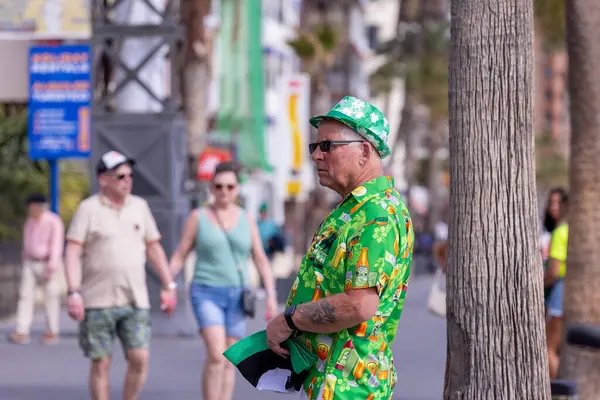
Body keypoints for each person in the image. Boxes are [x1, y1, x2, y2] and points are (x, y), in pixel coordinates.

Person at [265, 96, 414, 400]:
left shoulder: (376, 214)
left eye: (328, 146)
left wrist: (290, 319)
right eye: (315, 147)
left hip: (349, 385)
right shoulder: (355, 209)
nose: (317, 156)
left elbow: (360, 304)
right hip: (331, 379)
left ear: (364, 151)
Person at [63, 150, 177, 400]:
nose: (128, 180)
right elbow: (72, 251)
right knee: (101, 362)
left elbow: (154, 248)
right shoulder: (88, 209)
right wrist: (73, 291)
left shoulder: (139, 206)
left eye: (130, 176)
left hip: (134, 299)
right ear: (103, 179)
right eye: (121, 176)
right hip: (96, 300)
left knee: (140, 358)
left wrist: (168, 284)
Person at [169, 161, 279, 400]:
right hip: (206, 291)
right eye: (219, 186)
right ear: (211, 188)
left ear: (237, 189)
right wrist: (168, 286)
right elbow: (180, 254)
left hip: (238, 294)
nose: (224, 192)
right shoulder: (198, 217)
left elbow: (260, 258)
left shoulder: (246, 219)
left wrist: (271, 295)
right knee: (216, 353)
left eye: (230, 186)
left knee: (230, 357)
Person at [9, 193, 64, 345]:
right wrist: (24, 259)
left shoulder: (53, 221)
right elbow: (27, 243)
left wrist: (52, 265)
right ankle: (22, 330)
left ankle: (51, 331)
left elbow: (56, 244)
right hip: (30, 262)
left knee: (51, 297)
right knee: (25, 296)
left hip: (47, 262)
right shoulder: (30, 222)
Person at [544, 189, 569, 379]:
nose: (554, 207)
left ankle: (561, 392)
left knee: (548, 349)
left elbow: (553, 271)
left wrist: (539, 286)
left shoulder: (561, 231)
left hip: (559, 293)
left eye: (559, 203)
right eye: (551, 202)